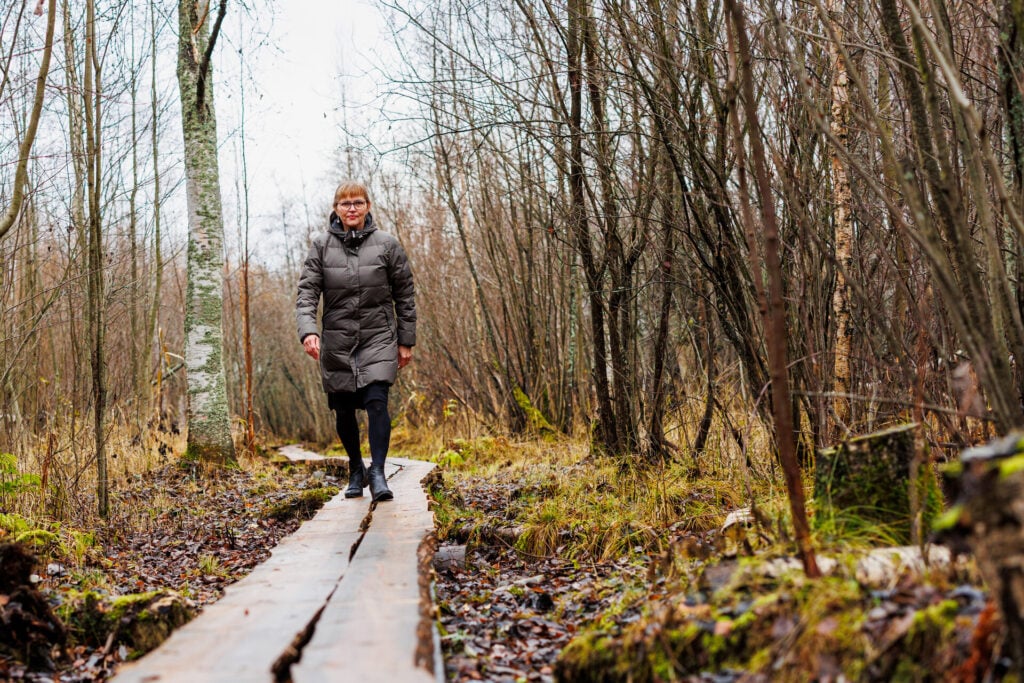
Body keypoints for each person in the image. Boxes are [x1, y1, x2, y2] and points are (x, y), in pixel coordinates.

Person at [296, 181, 416, 502]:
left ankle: (377, 472)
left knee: (377, 401)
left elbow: (404, 295)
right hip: (337, 340)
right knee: (344, 410)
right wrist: (308, 331)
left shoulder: (387, 245)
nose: (351, 208)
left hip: (378, 336)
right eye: (345, 203)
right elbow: (307, 293)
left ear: (368, 206)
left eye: (358, 203)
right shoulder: (321, 246)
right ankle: (355, 467)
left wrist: (406, 340)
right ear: (336, 209)